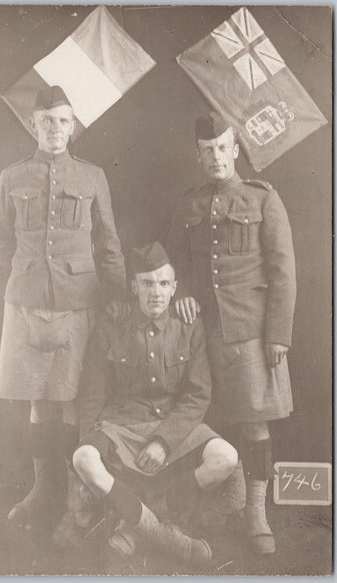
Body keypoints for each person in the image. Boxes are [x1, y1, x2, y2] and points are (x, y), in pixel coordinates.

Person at [0, 85, 126, 530]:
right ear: (33, 125)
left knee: (68, 401)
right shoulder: (11, 177)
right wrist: (31, 269)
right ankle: (41, 488)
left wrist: (119, 295)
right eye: (47, 122)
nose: (55, 130)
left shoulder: (92, 176)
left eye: (63, 121)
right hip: (25, 303)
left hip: (76, 304)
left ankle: (70, 494)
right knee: (36, 400)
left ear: (73, 126)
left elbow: (108, 243)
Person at [166, 112, 296, 554]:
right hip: (202, 331)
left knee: (254, 421)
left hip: (250, 332)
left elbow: (283, 270)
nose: (216, 156)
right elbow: (176, 261)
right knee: (201, 418)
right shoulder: (189, 203)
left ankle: (256, 513)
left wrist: (278, 332)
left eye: (223, 147)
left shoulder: (263, 199)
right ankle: (224, 501)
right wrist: (181, 290)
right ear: (198, 155)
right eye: (208, 150)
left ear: (236, 151)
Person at [73, 241, 238, 564]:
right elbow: (92, 392)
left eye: (164, 283)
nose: (156, 292)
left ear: (175, 287)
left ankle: (136, 527)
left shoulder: (189, 326)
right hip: (122, 425)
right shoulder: (111, 323)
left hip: (173, 425)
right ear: (133, 287)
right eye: (147, 283)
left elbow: (198, 394)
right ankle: (165, 537)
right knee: (83, 458)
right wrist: (89, 441)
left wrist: (164, 441)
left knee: (226, 457)